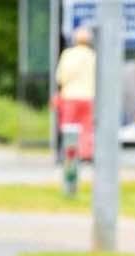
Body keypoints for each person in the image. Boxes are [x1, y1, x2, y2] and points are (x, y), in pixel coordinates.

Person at [54, 26, 96, 162]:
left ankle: (69, 154)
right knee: (86, 128)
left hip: (70, 96)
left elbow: (60, 77)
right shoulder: (93, 56)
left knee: (69, 126)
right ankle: (85, 155)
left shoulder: (68, 54)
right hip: (89, 97)